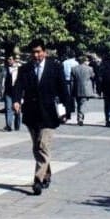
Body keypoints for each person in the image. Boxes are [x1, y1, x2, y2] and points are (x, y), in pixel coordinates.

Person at [11, 39, 74, 196]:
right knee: (37, 147)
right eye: (33, 52)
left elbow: (63, 90)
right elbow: (18, 86)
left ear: (44, 52)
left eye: (38, 52)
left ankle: (38, 180)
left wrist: (67, 111)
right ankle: (46, 173)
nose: (36, 55)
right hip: (31, 113)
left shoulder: (55, 67)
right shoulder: (25, 69)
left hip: (48, 114)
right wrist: (16, 101)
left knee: (43, 146)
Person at [70, 55, 96, 126]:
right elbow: (93, 76)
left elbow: (72, 80)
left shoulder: (73, 69)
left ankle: (79, 117)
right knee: (82, 104)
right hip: (86, 88)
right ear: (84, 61)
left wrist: (71, 90)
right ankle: (80, 118)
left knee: (79, 103)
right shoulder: (90, 68)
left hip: (76, 88)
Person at [2, 56, 22, 131]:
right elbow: (3, 81)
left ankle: (17, 125)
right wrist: (2, 91)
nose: (9, 60)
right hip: (8, 91)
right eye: (8, 59)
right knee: (8, 108)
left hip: (17, 92)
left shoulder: (19, 68)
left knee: (17, 109)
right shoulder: (5, 69)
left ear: (14, 60)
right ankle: (8, 126)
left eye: (10, 59)